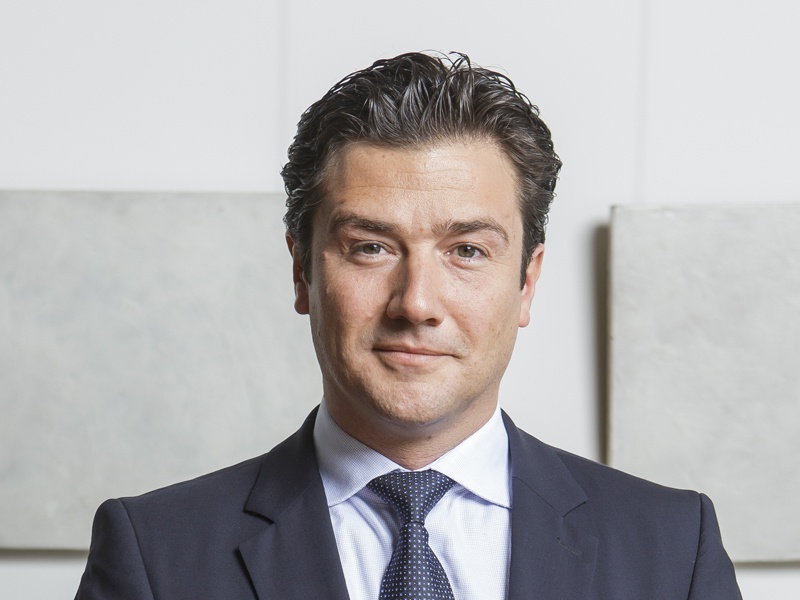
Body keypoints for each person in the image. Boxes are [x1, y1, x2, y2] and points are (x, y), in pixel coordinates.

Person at [75, 52, 741, 599]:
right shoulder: (155, 555)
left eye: (467, 251)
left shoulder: (672, 549)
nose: (416, 303)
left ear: (527, 282)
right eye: (371, 247)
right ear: (302, 272)